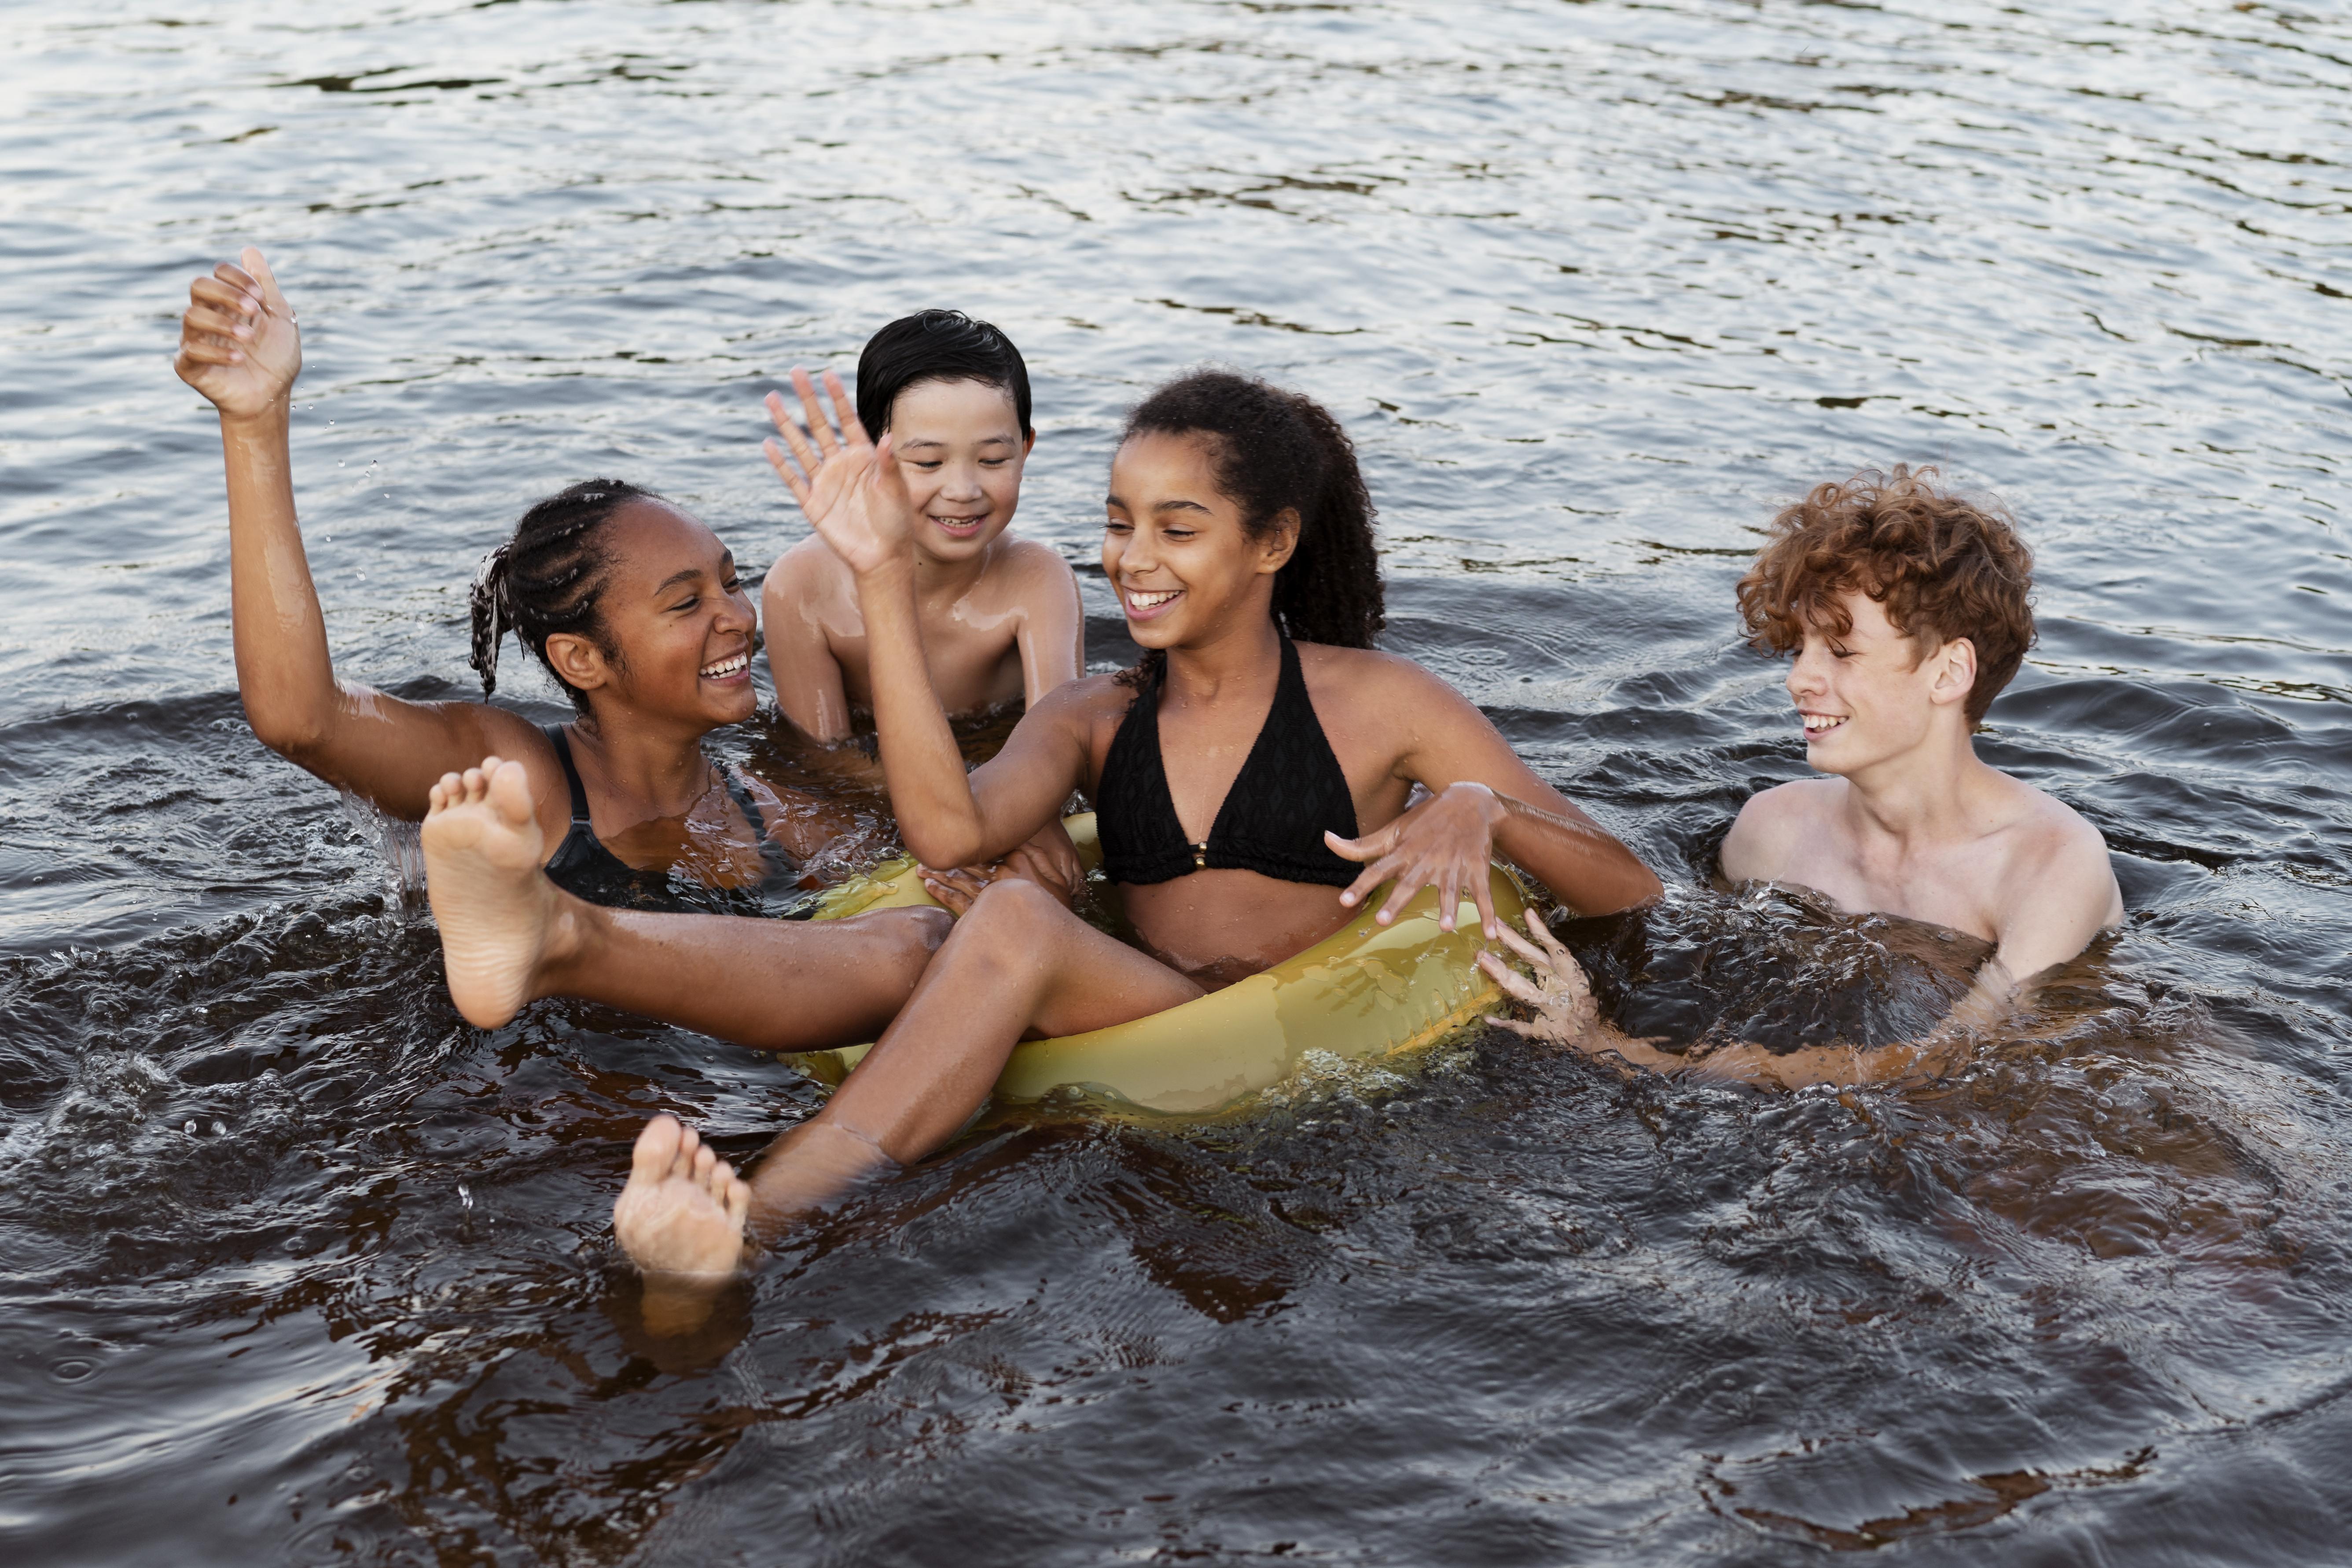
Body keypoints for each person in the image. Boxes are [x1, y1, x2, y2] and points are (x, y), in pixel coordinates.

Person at [413, 366, 1664, 1311]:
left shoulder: (1384, 704)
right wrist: (882, 576)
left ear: (1270, 543)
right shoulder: (1095, 715)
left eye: (1178, 529)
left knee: (1007, 919)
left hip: (1285, 1038)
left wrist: (1474, 807)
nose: (1134, 560)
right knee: (925, 927)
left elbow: (1628, 883)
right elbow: (945, 823)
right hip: (1149, 1007)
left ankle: (758, 1216)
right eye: (1119, 523)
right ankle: (559, 936)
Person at [172, 247, 948, 1045]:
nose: (737, 616)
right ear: (582, 660)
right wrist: (255, 423)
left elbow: (922, 852)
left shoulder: (770, 813)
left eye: (730, 579)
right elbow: (302, 718)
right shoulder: (521, 780)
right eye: (686, 601)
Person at [1482, 466, 2123, 1088]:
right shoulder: (1770, 831)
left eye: (1841, 652)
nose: (1798, 680)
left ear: (1949, 672)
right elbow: (1674, 973)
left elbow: (1947, 1064)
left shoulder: (2051, 865)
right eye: (1800, 650)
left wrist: (1614, 1049)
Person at [760, 309, 1084, 746]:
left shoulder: (1038, 580)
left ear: (1025, 451)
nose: (963, 490)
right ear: (870, 457)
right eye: (929, 462)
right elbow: (821, 764)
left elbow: (1059, 751)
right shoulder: (801, 588)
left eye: (992, 460)